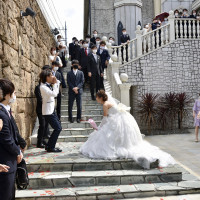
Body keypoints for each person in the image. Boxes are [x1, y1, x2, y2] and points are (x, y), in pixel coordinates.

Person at [80, 90, 175, 169]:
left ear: (100, 97)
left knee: (108, 134)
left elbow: (105, 119)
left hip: (118, 119)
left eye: (96, 97)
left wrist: (99, 127)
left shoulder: (105, 104)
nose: (96, 99)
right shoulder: (108, 102)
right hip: (123, 118)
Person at [0, 79, 23, 200]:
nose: (15, 96)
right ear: (7, 95)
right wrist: (17, 152)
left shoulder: (6, 110)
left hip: (10, 162)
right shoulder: (1, 113)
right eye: (13, 93)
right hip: (5, 163)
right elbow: (6, 139)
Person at [40, 70, 62, 153]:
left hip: (52, 110)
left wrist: (56, 82)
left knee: (58, 127)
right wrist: (56, 84)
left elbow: (58, 82)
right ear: (46, 77)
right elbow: (54, 94)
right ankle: (50, 147)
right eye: (51, 75)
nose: (53, 76)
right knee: (58, 128)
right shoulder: (43, 87)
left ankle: (49, 146)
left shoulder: (49, 85)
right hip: (48, 111)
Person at [35, 65, 51, 148]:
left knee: (45, 125)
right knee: (42, 125)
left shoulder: (47, 87)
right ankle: (39, 142)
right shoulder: (38, 88)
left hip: (46, 109)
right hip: (40, 109)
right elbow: (40, 99)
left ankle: (42, 140)